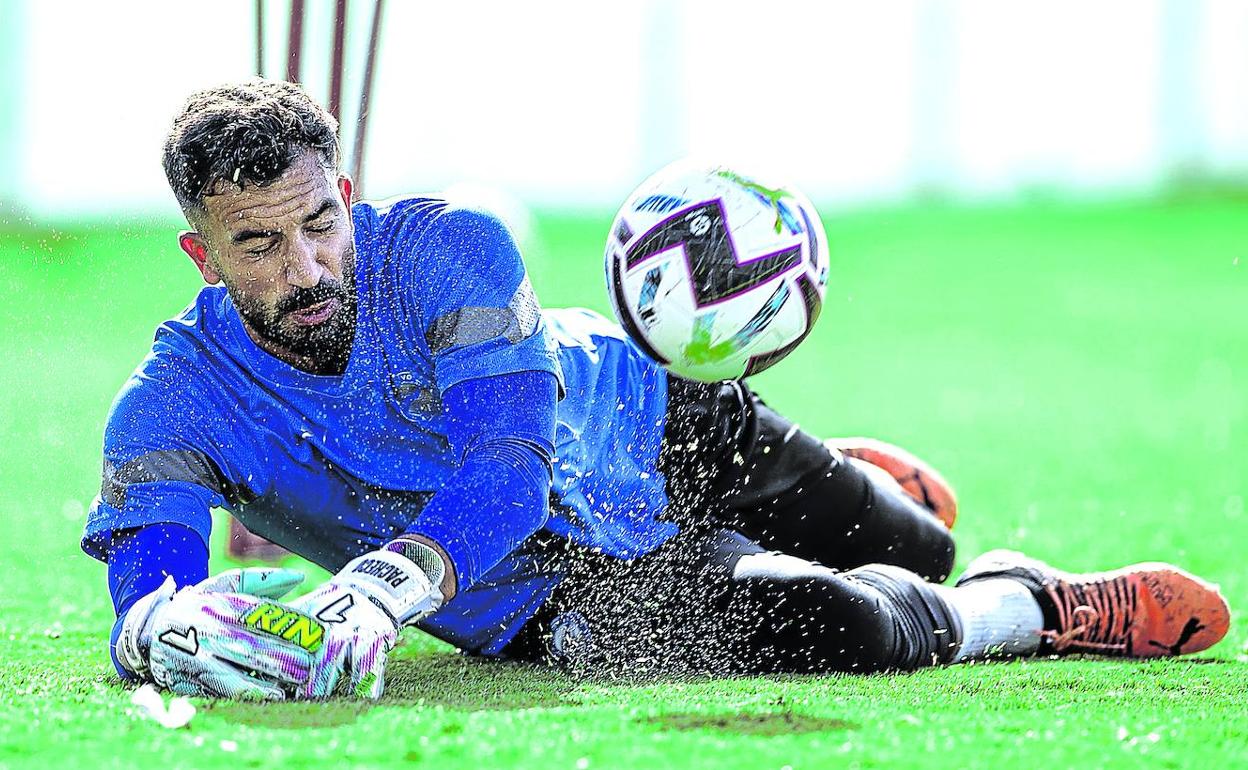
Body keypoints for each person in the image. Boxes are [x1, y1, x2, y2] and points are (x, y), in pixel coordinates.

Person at [86, 80, 1230, 700]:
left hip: (652, 422)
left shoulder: (449, 246)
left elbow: (506, 467)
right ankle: (1030, 602)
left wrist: (382, 589)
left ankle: (857, 480)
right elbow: (149, 587)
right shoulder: (169, 402)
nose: (306, 269)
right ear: (202, 255)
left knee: (914, 544)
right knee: (849, 624)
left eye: (319, 224)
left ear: (346, 195)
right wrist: (169, 630)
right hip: (550, 590)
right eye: (257, 244)